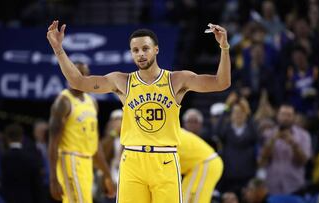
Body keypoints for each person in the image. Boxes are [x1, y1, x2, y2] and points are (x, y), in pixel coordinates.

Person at [46, 20, 230, 203]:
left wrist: (224, 48)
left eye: (145, 48)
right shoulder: (122, 81)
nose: (140, 54)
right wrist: (58, 50)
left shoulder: (176, 80)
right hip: (132, 160)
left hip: (164, 160)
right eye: (135, 50)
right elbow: (78, 82)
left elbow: (221, 83)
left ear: (156, 49)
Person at [48, 62, 116, 202]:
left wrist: (107, 174)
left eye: (86, 73)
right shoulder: (63, 102)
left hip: (87, 163)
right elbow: (53, 143)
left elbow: (95, 143)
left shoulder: (92, 102)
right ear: (69, 74)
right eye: (80, 73)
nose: (84, 77)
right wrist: (53, 178)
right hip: (70, 160)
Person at [259, 104, 311, 195]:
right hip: (272, 186)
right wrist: (272, 140)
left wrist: (293, 143)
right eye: (283, 114)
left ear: (294, 117)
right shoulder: (268, 134)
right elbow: (262, 161)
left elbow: (303, 161)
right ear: (277, 116)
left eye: (289, 115)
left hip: (295, 186)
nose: (286, 118)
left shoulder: (304, 135)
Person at [0, 123, 43, 203]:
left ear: (7, 138)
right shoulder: (31, 158)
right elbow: (37, 185)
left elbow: (1, 183)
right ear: (22, 138)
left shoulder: (2, 159)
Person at [178, 128, 223, 203]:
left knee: (192, 200)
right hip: (198, 166)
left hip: (205, 163)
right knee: (183, 199)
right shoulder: (168, 129)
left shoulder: (164, 135)